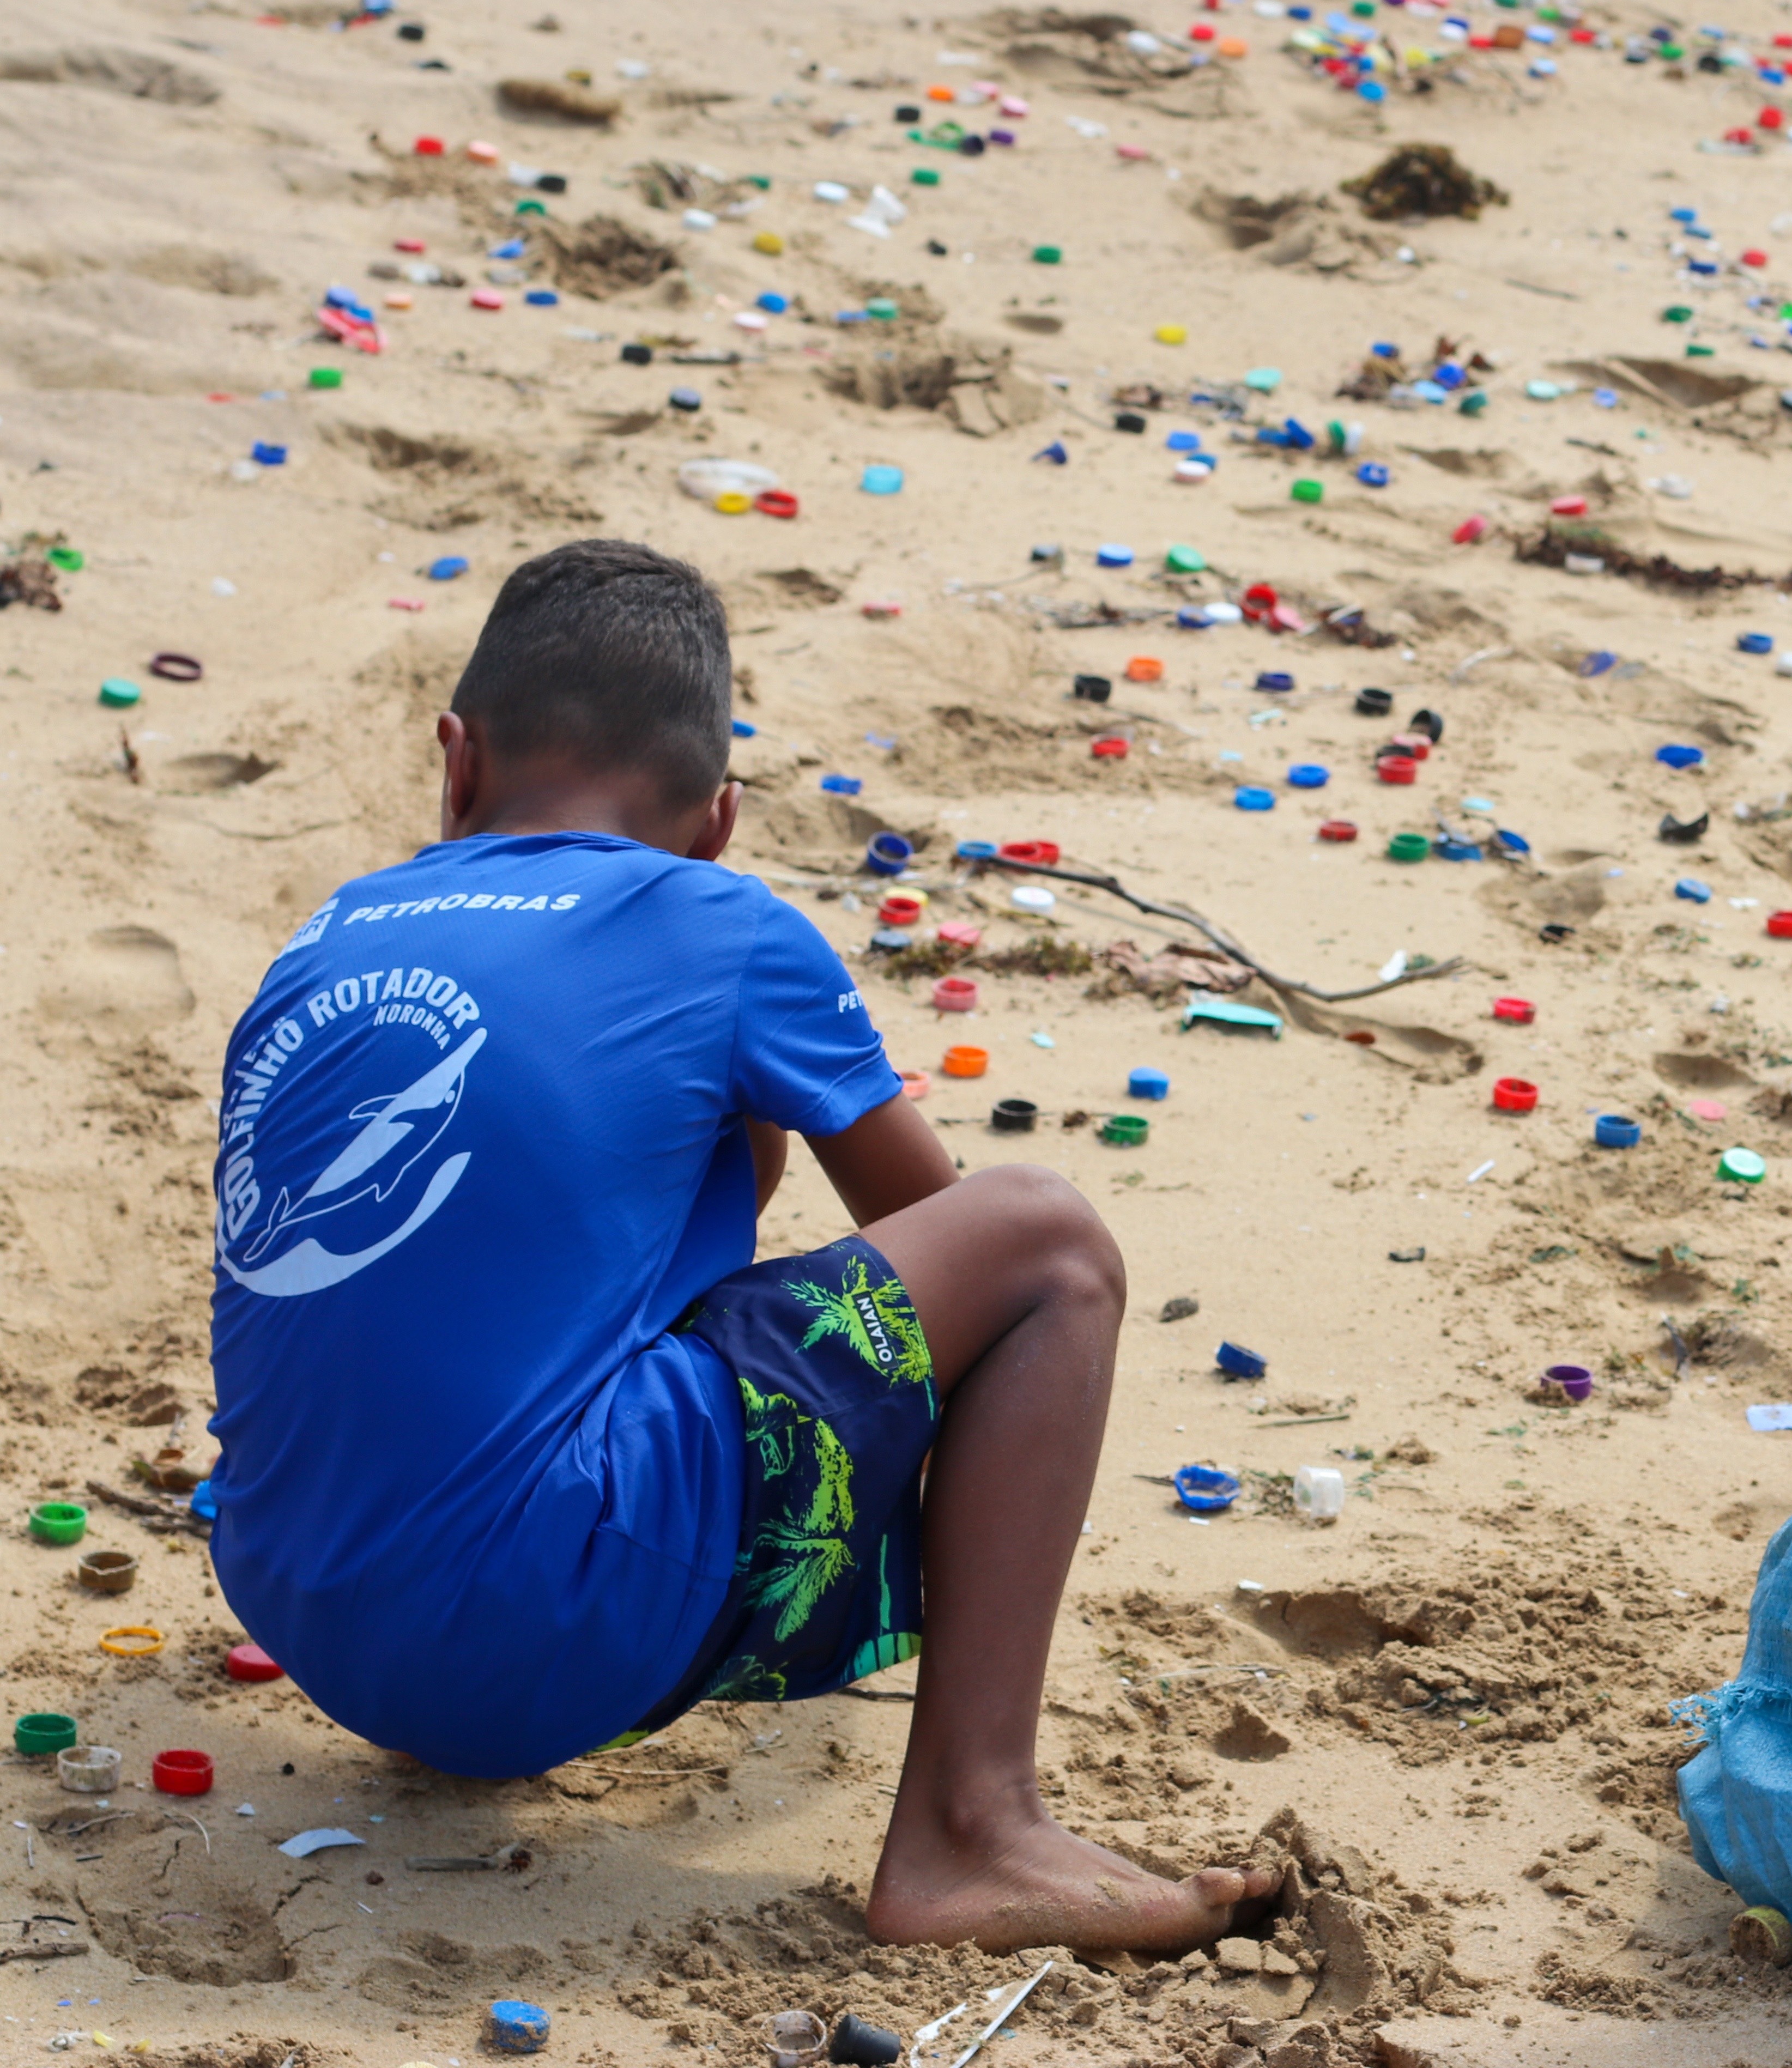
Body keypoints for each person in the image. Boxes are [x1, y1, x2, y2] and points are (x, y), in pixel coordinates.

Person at [207, 539, 1270, 1952]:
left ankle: (525, 1645)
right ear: (719, 822)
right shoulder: (719, 918)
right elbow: (938, 1250)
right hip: (530, 1623)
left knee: (633, 1188)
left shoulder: (328, 935)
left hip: (312, 1617)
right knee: (1051, 1246)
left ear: (455, 764)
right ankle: (971, 1825)